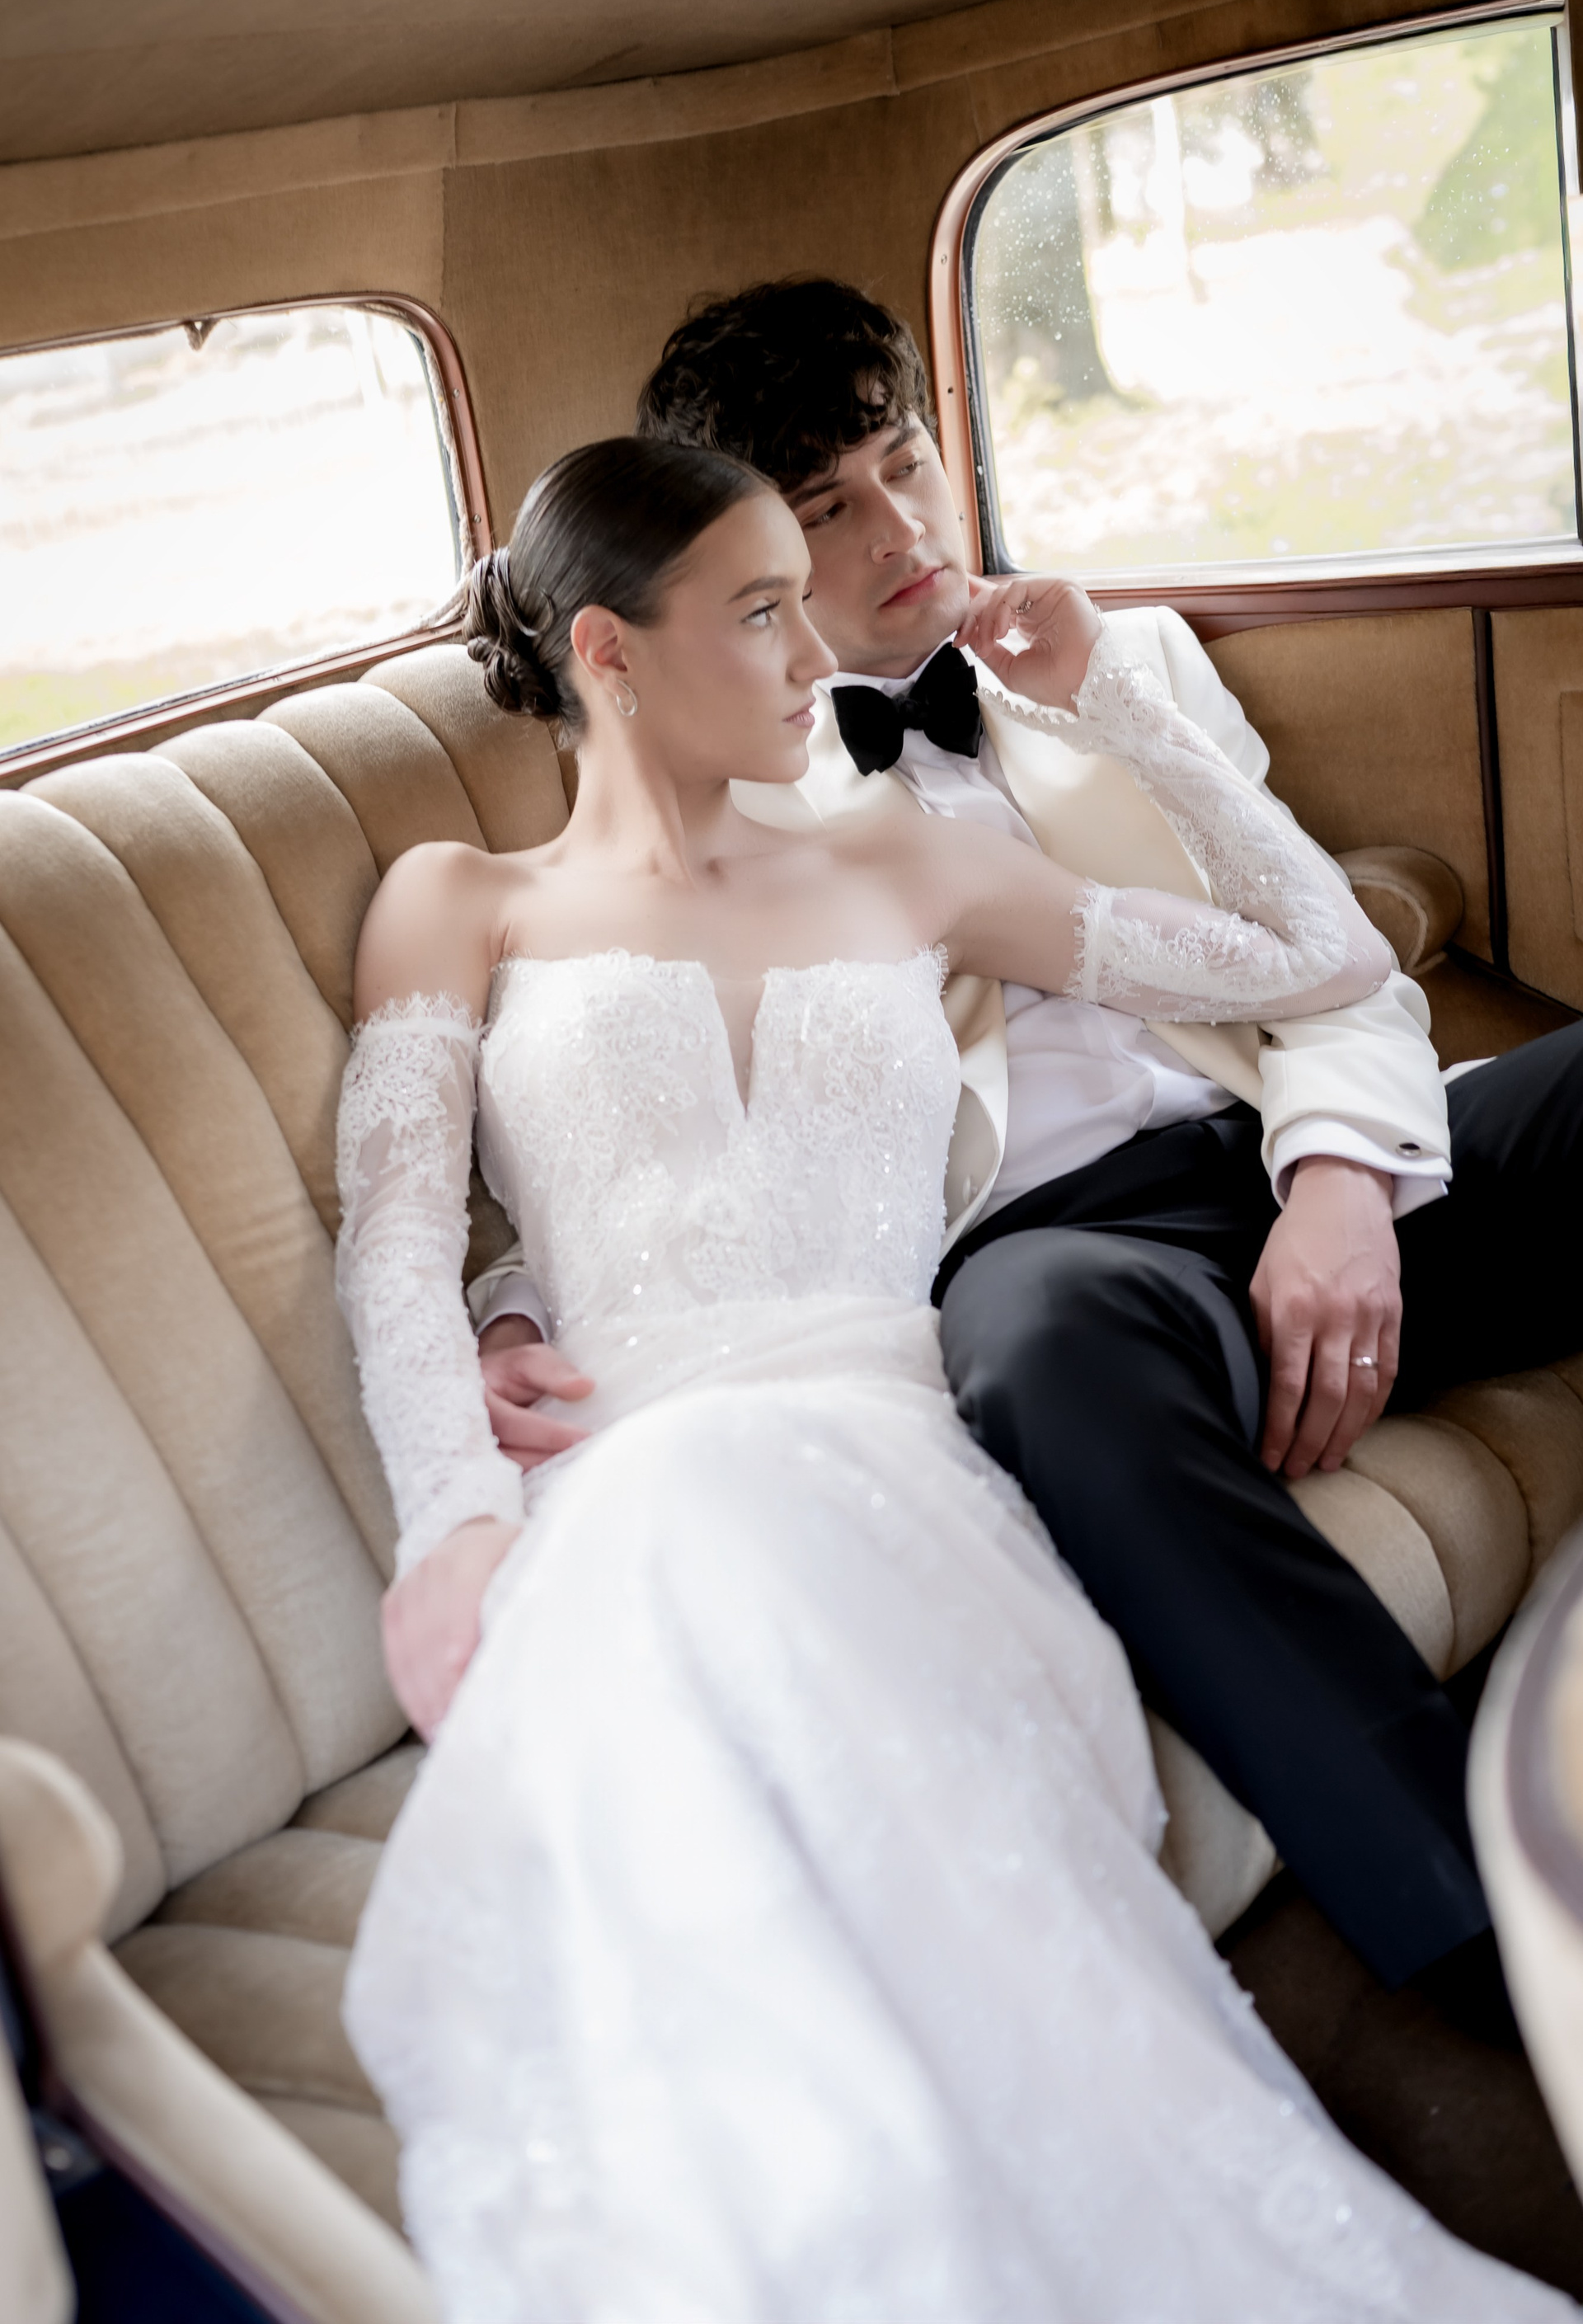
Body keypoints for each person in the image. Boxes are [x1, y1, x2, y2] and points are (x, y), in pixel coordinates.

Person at [337, 433, 1570, 2317]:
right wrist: (452, 1521)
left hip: (898, 1443)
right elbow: (397, 1242)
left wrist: (1115, 709)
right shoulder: (455, 898)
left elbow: (1316, 958)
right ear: (607, 650)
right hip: (621, 1468)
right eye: (761, 612)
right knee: (684, 1607)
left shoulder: (901, 863)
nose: (808, 653)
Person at [470, 277, 1581, 2025]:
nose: (900, 531)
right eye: (826, 509)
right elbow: (616, 1119)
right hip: (1066, 1258)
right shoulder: (718, 802)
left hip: (1319, 1155)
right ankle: (1490, 1939)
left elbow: (1338, 963)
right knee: (1047, 1345)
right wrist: (515, 1307)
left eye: (906, 463)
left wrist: (1342, 1183)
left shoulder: (1135, 662)